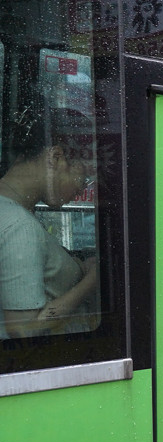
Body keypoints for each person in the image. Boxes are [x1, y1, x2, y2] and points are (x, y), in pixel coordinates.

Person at [0, 105, 99, 338]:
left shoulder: (11, 211)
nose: (81, 190)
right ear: (55, 158)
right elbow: (24, 328)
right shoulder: (19, 227)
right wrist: (91, 282)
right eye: (84, 177)